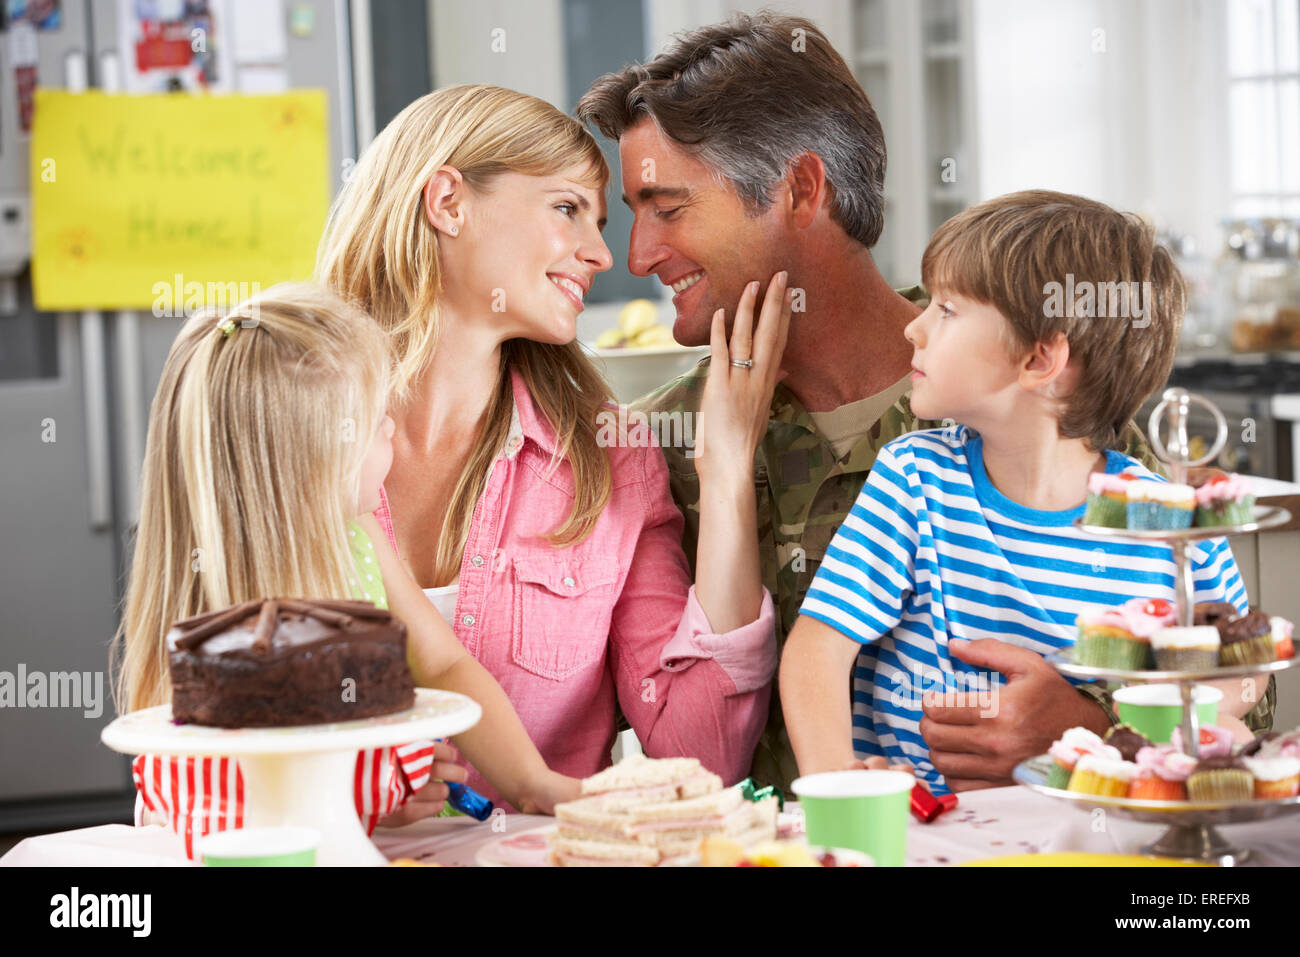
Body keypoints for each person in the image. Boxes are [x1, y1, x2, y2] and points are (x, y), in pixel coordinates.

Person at [575, 11, 1274, 792]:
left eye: (668, 208)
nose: (636, 256)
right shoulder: (657, 449)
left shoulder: (1029, 394)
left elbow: (1233, 700)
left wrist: (1085, 728)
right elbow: (688, 760)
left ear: (801, 190)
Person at [315, 84, 788, 815]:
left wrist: (724, 470)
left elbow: (703, 755)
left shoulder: (609, 454)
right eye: (568, 208)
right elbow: (206, 717)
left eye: (599, 221)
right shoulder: (293, 428)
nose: (603, 253)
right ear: (448, 203)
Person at [781, 191, 1254, 792]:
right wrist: (840, 792)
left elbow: (1244, 673)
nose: (914, 325)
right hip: (935, 842)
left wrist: (1167, 732)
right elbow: (815, 653)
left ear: (1038, 358)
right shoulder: (916, 479)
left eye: (947, 310)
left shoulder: (1173, 524)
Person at [112, 283, 578, 857]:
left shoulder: (359, 536)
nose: (392, 430)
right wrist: (371, 796)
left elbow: (443, 662)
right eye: (377, 416)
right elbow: (219, 811)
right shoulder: (211, 621)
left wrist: (530, 782)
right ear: (313, 460)